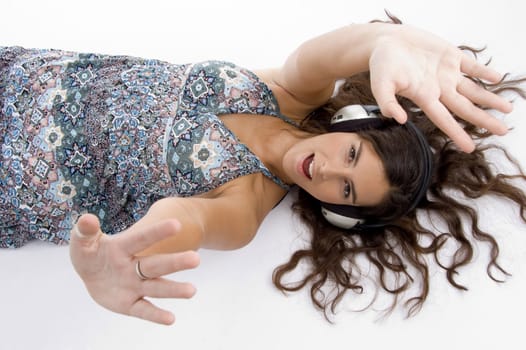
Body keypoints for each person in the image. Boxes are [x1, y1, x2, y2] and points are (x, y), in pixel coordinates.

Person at [1, 13, 524, 325]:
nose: (326, 174)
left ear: (338, 212)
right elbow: (334, 52)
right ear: (353, 123)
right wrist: (384, 42)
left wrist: (120, 261)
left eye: (345, 189)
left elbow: (182, 221)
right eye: (351, 156)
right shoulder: (290, 91)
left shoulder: (246, 207)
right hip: (18, 76)